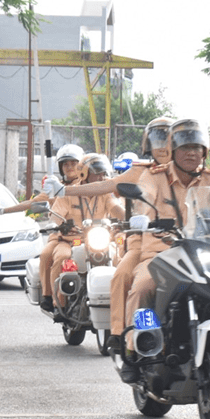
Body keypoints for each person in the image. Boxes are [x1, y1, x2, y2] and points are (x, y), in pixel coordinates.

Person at [121, 118, 210, 382]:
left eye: (198, 147)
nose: (192, 153)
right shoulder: (154, 176)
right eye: (185, 147)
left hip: (204, 251)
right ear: (173, 150)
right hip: (161, 252)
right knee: (143, 285)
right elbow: (144, 196)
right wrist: (144, 216)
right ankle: (134, 349)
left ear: (205, 151)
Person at [43, 117, 174, 350]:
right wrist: (65, 189)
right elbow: (108, 186)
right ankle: (117, 334)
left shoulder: (197, 175)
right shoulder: (139, 172)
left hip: (180, 244)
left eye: (170, 141)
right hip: (143, 243)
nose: (164, 147)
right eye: (158, 141)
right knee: (121, 276)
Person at [34, 144, 90, 315]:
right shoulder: (59, 188)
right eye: (66, 164)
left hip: (92, 237)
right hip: (63, 236)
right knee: (52, 256)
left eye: (74, 163)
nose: (70, 167)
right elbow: (52, 212)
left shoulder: (96, 188)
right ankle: (54, 299)